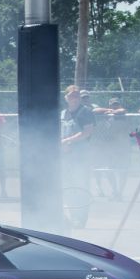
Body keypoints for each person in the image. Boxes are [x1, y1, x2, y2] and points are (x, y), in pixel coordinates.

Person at [61, 85, 95, 226]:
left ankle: (80, 219)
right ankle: (72, 216)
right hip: (65, 156)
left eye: (76, 96)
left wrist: (68, 141)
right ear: (66, 98)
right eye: (71, 96)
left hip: (80, 156)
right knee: (68, 187)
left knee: (80, 187)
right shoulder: (63, 113)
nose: (74, 99)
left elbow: (87, 132)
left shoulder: (85, 112)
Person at [92, 96, 129, 199]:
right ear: (110, 105)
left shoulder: (122, 114)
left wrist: (113, 111)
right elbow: (94, 110)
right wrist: (108, 111)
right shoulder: (106, 114)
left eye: (116, 104)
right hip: (109, 146)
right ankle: (114, 190)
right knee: (109, 168)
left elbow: (122, 110)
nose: (115, 106)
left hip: (121, 146)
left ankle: (120, 192)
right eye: (113, 104)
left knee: (122, 169)